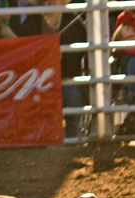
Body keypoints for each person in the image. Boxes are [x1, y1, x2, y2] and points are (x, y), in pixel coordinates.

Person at [19, 0, 87, 138]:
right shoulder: (31, 21)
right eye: (44, 0)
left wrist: (61, 58)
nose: (48, 2)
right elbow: (22, 52)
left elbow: (77, 58)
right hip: (35, 80)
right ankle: (35, 141)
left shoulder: (75, 24)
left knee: (73, 97)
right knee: (23, 99)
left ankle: (73, 139)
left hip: (64, 78)